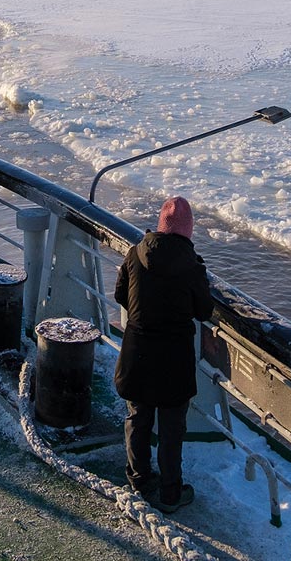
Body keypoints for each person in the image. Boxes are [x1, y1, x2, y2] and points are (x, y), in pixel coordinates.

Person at [114, 195, 214, 515]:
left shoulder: (134, 253)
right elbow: (204, 310)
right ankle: (171, 493)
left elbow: (120, 294)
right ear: (187, 231)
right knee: (172, 428)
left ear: (160, 225)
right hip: (173, 358)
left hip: (138, 353)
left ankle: (139, 480)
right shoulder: (191, 265)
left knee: (138, 417)